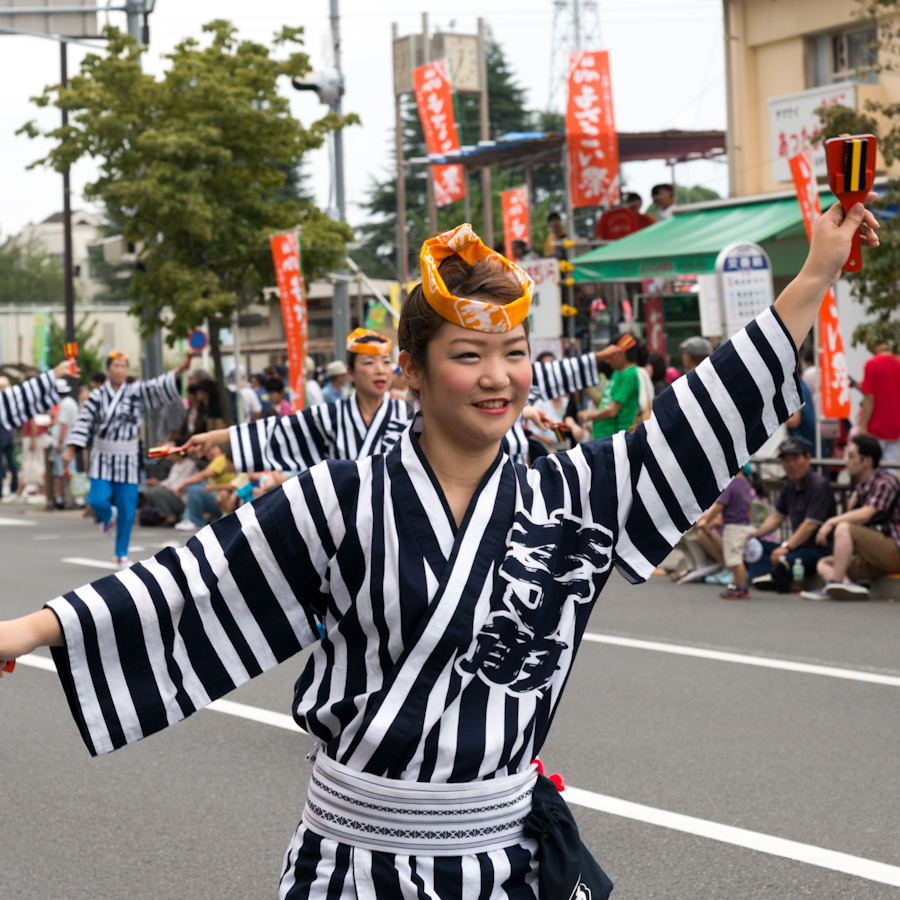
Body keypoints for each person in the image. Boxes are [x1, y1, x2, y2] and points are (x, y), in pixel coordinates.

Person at [0, 199, 880, 897]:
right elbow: (193, 580)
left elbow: (701, 415)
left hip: (504, 864)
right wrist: (29, 631)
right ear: (413, 371)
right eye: (469, 354)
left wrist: (815, 272)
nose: (499, 377)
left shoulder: (574, 493)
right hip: (355, 864)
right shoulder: (343, 498)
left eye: (514, 353)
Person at [62, 350, 192, 567]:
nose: (120, 370)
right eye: (116, 366)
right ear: (108, 369)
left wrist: (179, 370)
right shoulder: (96, 396)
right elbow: (83, 422)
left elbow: (158, 386)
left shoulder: (135, 391)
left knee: (127, 506)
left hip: (128, 456)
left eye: (124, 366)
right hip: (103, 454)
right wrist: (70, 449)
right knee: (96, 499)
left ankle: (122, 552)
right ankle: (107, 515)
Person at [801, 434, 900, 600]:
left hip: (894, 550)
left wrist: (831, 521)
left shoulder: (885, 482)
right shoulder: (862, 486)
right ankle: (844, 585)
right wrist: (852, 503)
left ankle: (836, 582)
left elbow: (868, 513)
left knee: (844, 527)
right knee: (824, 563)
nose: (846, 460)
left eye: (851, 455)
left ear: (867, 461)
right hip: (875, 556)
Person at [748, 437, 837, 591]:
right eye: (786, 460)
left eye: (795, 459)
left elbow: (810, 525)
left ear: (808, 458)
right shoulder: (789, 486)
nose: (791, 465)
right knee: (757, 547)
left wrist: (786, 547)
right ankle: (768, 576)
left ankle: (773, 576)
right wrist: (751, 535)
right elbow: (776, 518)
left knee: (789, 559)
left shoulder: (819, 485)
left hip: (817, 549)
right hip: (796, 547)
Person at [0, 362, 78, 502]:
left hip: (45, 438)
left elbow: (14, 401)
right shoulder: (68, 403)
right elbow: (16, 400)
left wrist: (53, 374)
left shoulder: (65, 404)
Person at [696, 464, 758, 599]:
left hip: (733, 526)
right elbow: (750, 508)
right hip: (744, 525)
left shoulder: (731, 484)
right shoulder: (746, 484)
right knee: (736, 557)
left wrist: (707, 522)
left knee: (735, 559)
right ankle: (738, 585)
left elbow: (719, 506)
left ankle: (741, 588)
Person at [578, 334, 641, 439]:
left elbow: (612, 411)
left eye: (610, 355)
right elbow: (605, 403)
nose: (607, 360)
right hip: (604, 437)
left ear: (621, 352)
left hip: (614, 438)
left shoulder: (627, 375)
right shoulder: (617, 373)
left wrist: (587, 416)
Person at [173, 444, 235, 532]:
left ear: (215, 449)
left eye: (208, 451)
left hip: (226, 498)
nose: (206, 455)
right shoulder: (219, 460)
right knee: (197, 488)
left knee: (195, 490)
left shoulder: (221, 459)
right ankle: (188, 519)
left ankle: (195, 521)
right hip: (220, 497)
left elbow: (203, 475)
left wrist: (184, 483)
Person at [859, 340, 900, 463]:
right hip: (895, 428)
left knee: (871, 467)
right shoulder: (898, 362)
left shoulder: (872, 364)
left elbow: (869, 399)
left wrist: (863, 427)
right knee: (891, 470)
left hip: (875, 427)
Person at [143, 454, 199, 526]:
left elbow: (178, 485)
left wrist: (161, 485)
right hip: (172, 492)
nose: (171, 456)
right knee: (148, 490)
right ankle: (167, 515)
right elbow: (170, 481)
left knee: (156, 491)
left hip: (181, 496)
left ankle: (171, 517)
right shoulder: (176, 465)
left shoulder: (190, 465)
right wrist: (158, 483)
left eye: (172, 454)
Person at [50, 378, 79, 509]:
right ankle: (74, 498)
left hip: (64, 444)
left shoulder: (64, 405)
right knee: (68, 472)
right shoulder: (69, 402)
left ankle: (68, 499)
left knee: (65, 472)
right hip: (69, 442)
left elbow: (64, 424)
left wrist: (60, 442)